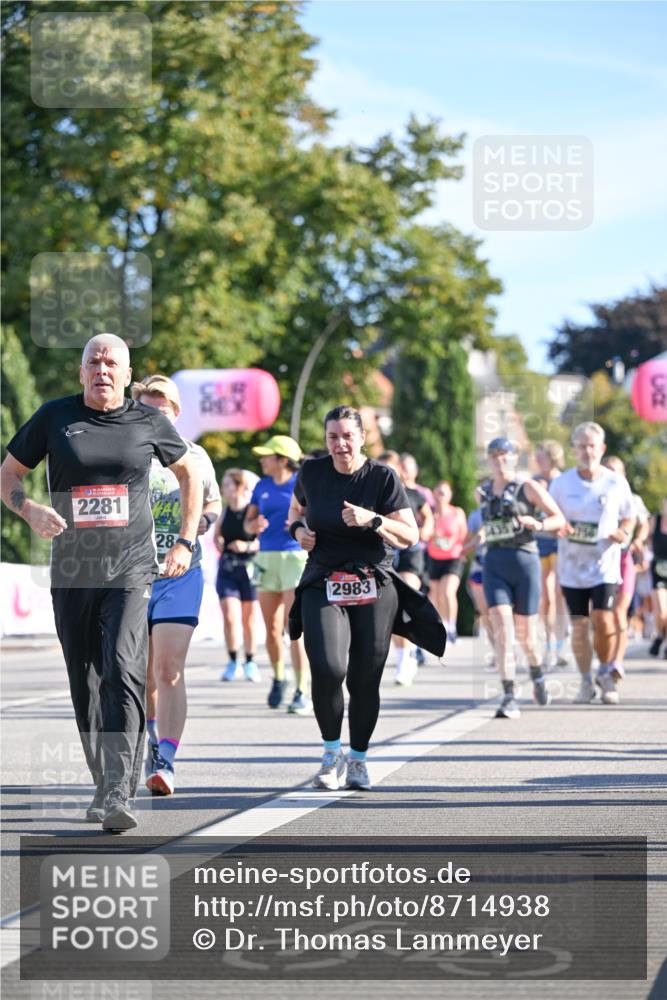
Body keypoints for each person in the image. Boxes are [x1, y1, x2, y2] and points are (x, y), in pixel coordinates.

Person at [0, 335, 202, 830]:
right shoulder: (55, 416)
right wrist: (30, 510)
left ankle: (117, 791)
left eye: (112, 363)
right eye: (93, 361)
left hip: (131, 568)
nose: (102, 369)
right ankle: (104, 780)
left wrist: (184, 541)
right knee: (85, 679)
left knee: (123, 667)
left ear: (128, 375)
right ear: (82, 372)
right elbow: (8, 476)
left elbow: (189, 474)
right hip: (73, 570)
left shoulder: (148, 420)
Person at [287, 406, 444, 791]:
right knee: (327, 667)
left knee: (363, 678)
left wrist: (373, 519)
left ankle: (357, 759)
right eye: (333, 437)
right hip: (324, 578)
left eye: (347, 436)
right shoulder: (311, 473)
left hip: (373, 581)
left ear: (361, 438)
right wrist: (299, 532)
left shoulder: (382, 477)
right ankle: (331, 754)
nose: (340, 444)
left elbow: (410, 535)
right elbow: (296, 512)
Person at [131, 376, 221, 797]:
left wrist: (205, 520)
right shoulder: (127, 452)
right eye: (147, 409)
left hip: (180, 575)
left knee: (168, 669)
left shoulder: (196, 455)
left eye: (162, 410)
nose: (155, 416)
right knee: (143, 675)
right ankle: (153, 741)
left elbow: (213, 500)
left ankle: (166, 760)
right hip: (133, 575)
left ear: (176, 413)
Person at [477, 437, 566, 719]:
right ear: (489, 459)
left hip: (525, 563)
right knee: (503, 629)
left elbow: (559, 519)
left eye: (505, 454)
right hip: (494, 565)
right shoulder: (483, 491)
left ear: (515, 458)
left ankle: (537, 673)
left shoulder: (528, 487)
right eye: (494, 455)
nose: (500, 460)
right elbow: (489, 525)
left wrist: (538, 524)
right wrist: (479, 536)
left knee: (526, 637)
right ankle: (509, 696)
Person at [549, 423, 635, 705]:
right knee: (579, 625)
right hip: (572, 567)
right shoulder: (561, 484)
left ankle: (606, 673)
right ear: (574, 449)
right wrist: (557, 526)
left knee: (603, 618)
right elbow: (550, 516)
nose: (587, 451)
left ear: (602, 448)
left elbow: (629, 516)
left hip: (604, 565)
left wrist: (623, 532)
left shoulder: (616, 482)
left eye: (592, 446)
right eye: (582, 446)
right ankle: (586, 681)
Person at [244, 435, 310, 713]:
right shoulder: (262, 485)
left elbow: (315, 517)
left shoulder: (301, 484)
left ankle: (301, 689)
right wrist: (253, 525)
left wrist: (301, 523)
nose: (262, 460)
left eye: (267, 456)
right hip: (265, 558)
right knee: (271, 629)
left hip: (294, 558)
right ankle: (279, 677)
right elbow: (247, 523)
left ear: (283, 460)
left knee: (293, 628)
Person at [377, 451, 434, 685]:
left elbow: (428, 517)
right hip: (386, 555)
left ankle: (408, 656)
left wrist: (424, 531)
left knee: (404, 599)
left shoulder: (413, 494)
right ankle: (404, 657)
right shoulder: (374, 496)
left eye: (390, 468)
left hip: (411, 554)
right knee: (390, 609)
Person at [601, 456, 651, 678]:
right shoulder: (595, 496)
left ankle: (617, 663)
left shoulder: (633, 499)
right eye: (607, 469)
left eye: (615, 470)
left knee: (620, 612)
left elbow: (644, 524)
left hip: (623, 558)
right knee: (603, 615)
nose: (611, 474)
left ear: (623, 474)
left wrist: (638, 539)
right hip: (600, 560)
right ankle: (604, 660)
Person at [214, 468, 261, 682]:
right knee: (230, 616)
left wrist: (246, 545)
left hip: (249, 568)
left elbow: (262, 541)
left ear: (240, 486)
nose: (224, 489)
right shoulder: (224, 512)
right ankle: (233, 661)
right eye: (223, 485)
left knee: (248, 619)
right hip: (227, 568)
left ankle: (250, 661)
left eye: (228, 484)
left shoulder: (252, 511)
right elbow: (217, 536)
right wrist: (219, 542)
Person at [534, 440, 570, 667]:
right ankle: (549, 644)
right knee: (545, 596)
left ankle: (561, 643)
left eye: (542, 455)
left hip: (559, 543)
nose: (538, 460)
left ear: (552, 457)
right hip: (539, 543)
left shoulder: (563, 481)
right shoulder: (533, 482)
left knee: (557, 593)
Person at [426, 481, 467, 645]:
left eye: (443, 493)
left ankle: (452, 628)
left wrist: (463, 551)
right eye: (438, 492)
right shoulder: (430, 513)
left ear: (450, 495)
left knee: (448, 592)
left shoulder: (457, 512)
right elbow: (425, 534)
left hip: (453, 557)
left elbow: (464, 534)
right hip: (434, 558)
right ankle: (443, 628)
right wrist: (433, 526)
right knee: (437, 596)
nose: (440, 496)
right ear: (434, 494)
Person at [648, 495, 667, 657]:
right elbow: (648, 542)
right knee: (661, 610)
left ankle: (663, 640)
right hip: (658, 569)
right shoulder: (655, 520)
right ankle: (660, 635)